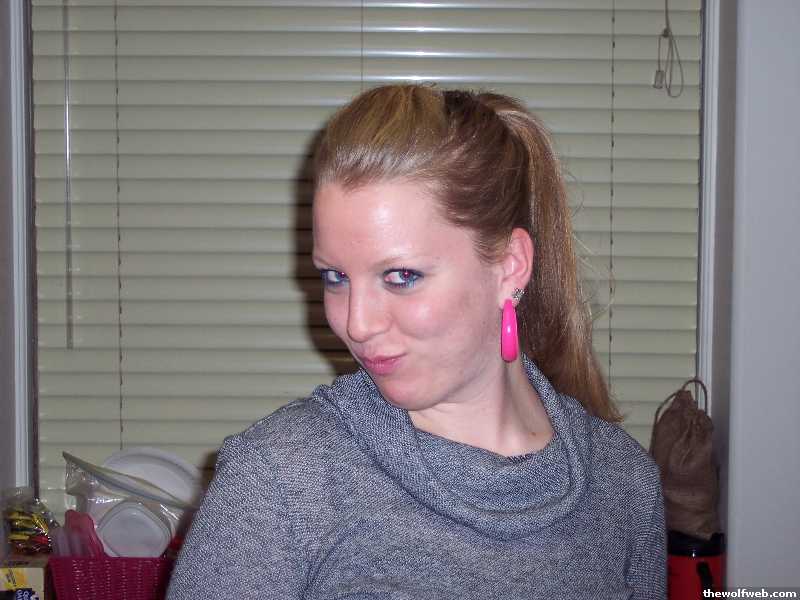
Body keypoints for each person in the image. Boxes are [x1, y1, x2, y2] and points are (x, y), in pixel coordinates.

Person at [167, 84, 666, 600]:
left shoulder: (626, 487)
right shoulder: (281, 480)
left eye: (401, 276)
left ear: (509, 267)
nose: (357, 324)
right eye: (335, 277)